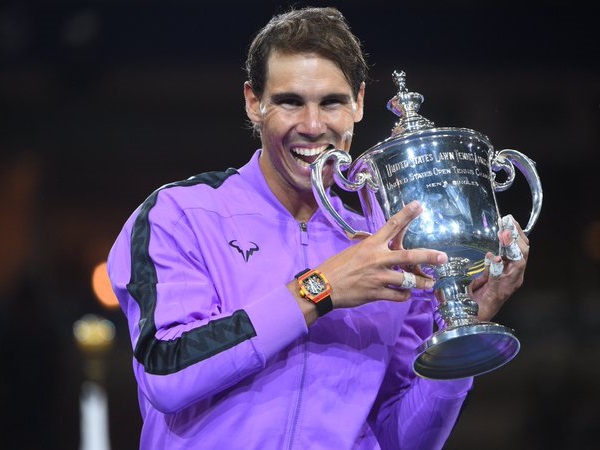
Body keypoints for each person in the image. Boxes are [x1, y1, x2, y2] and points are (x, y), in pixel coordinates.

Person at [107, 6, 530, 450]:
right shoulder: (181, 215)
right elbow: (166, 374)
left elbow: (399, 439)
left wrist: (459, 339)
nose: (312, 127)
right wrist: (320, 289)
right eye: (290, 102)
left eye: (332, 102)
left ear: (359, 104)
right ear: (254, 102)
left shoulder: (387, 244)